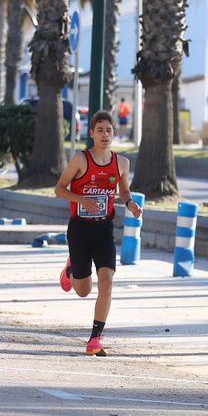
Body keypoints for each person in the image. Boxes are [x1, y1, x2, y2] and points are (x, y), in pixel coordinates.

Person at [55, 110, 140, 356]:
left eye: (109, 131)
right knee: (83, 290)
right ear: (91, 133)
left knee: (107, 281)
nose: (105, 135)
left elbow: (124, 192)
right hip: (80, 229)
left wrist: (131, 203)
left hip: (104, 229)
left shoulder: (121, 163)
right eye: (100, 130)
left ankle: (95, 338)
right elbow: (59, 189)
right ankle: (72, 269)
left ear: (114, 133)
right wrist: (82, 199)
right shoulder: (81, 160)